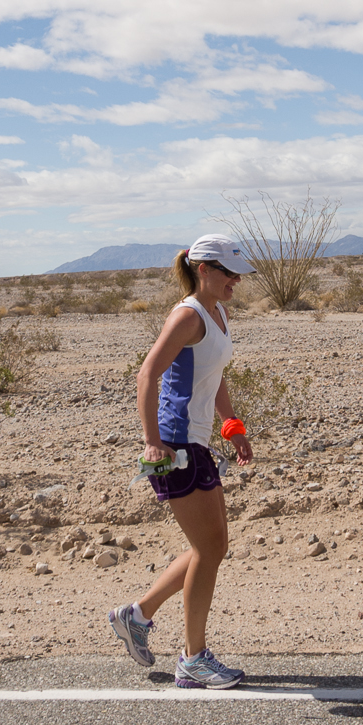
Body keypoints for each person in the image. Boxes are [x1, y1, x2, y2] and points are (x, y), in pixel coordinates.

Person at [108, 234, 256, 689]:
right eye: (228, 272)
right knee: (211, 549)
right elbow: (147, 374)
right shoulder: (188, 315)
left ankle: (137, 614)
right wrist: (152, 441)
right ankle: (193, 659)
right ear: (204, 269)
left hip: (198, 443)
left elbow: (214, 374)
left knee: (207, 548)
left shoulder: (217, 313)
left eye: (238, 273)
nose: (236, 280)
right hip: (176, 447)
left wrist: (231, 424)